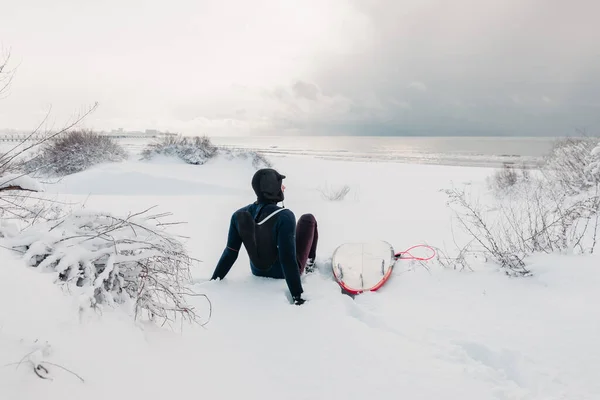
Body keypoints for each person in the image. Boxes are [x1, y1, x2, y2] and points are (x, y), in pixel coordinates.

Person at [210, 168, 318, 305]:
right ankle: (309, 263)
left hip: (257, 270)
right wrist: (297, 296)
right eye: (279, 184)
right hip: (283, 272)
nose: (282, 188)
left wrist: (213, 281)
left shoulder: (239, 215)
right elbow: (287, 259)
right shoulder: (285, 216)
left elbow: (230, 253)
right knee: (308, 219)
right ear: (273, 189)